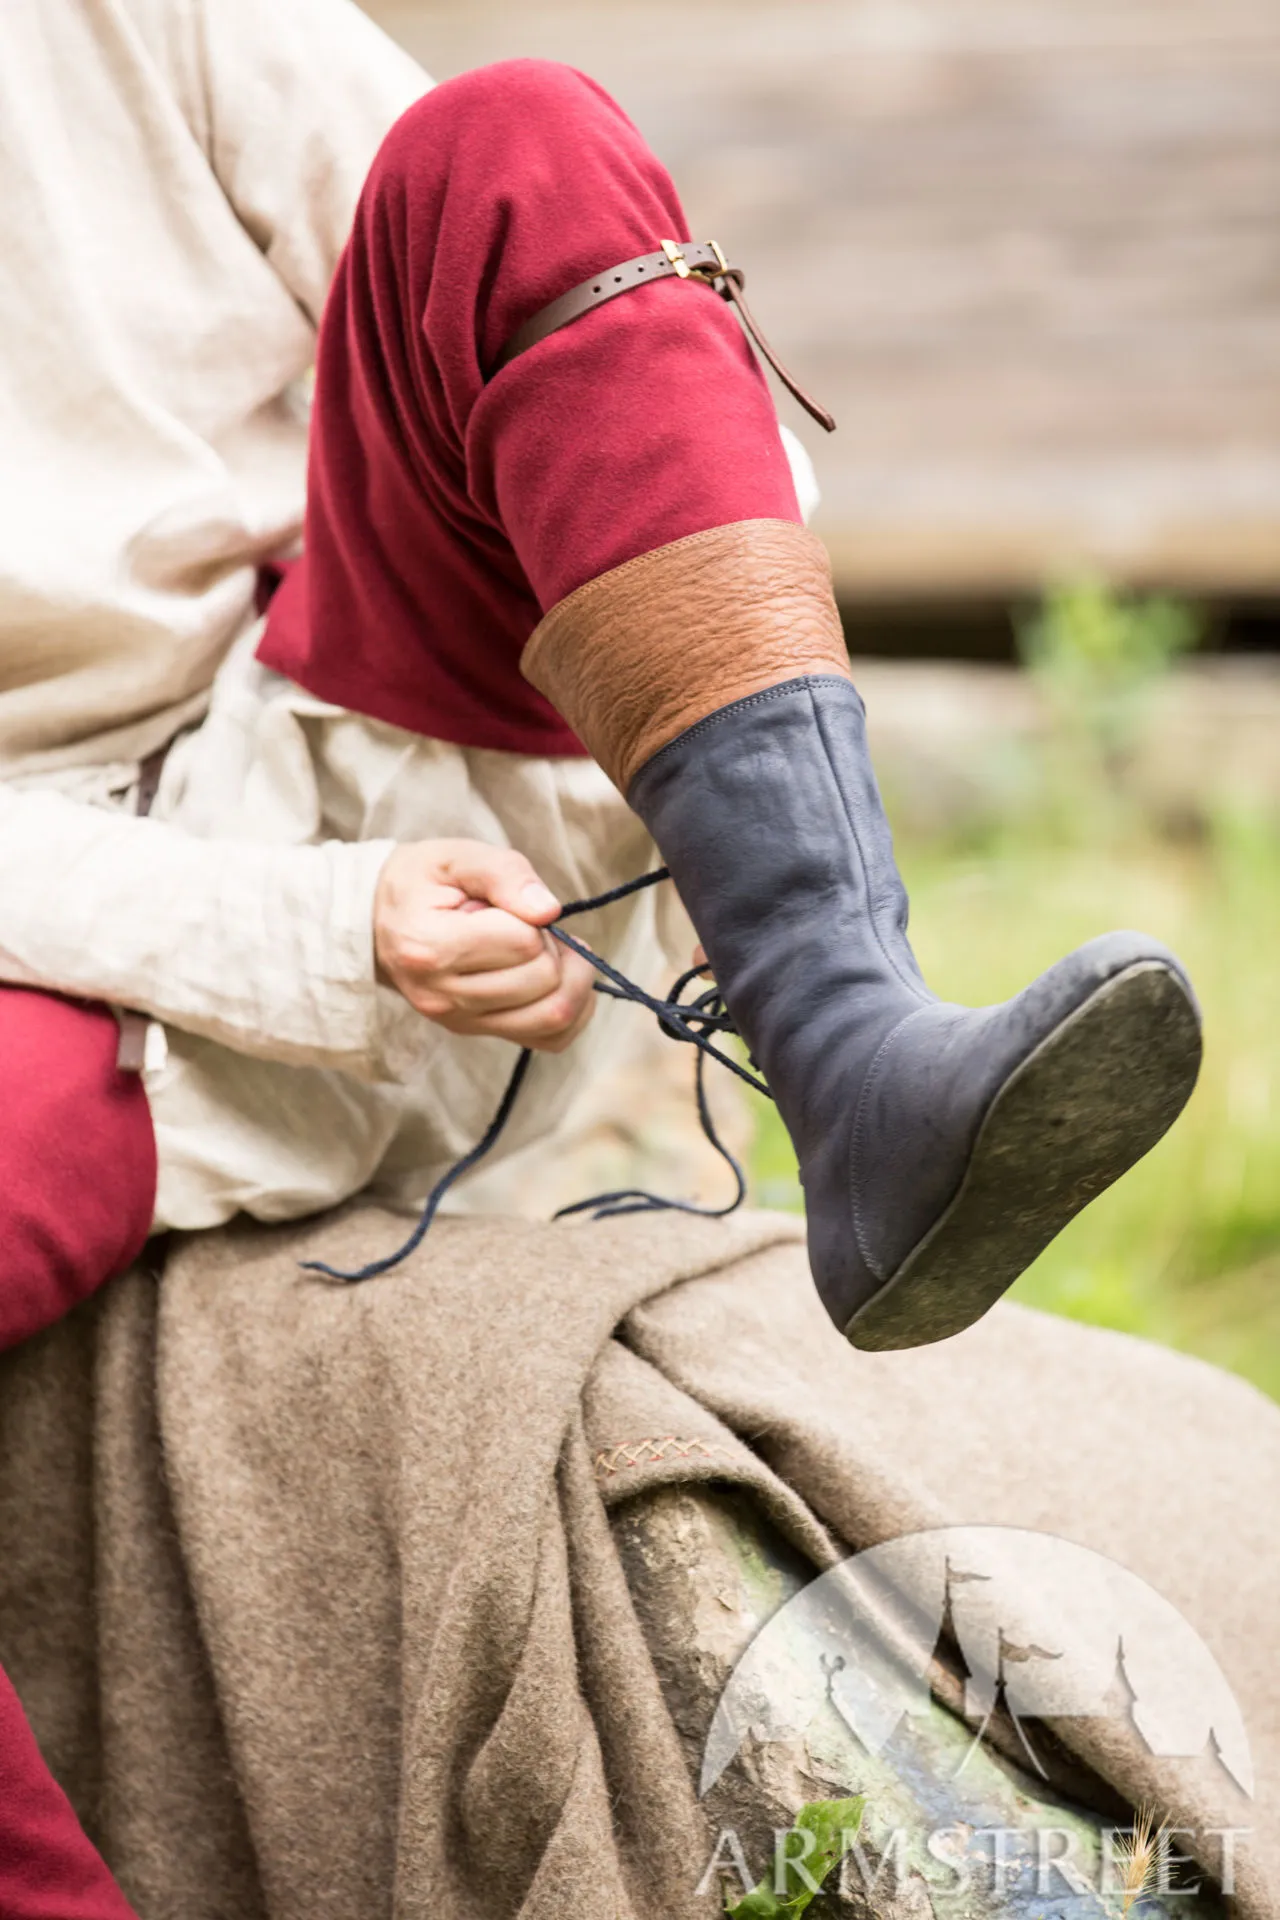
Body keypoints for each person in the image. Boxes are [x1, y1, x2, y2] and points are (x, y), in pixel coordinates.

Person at [0, 1, 1201, 1910]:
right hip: (76, 955)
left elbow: (596, 306)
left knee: (522, 148)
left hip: (375, 708)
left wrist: (658, 510)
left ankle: (853, 1046)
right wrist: (315, 924)